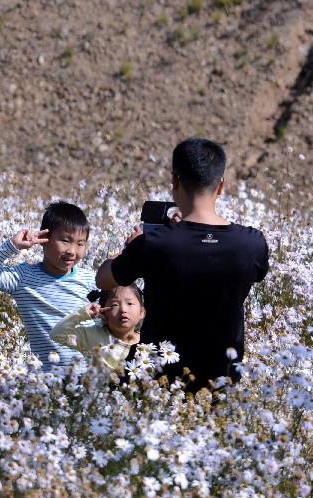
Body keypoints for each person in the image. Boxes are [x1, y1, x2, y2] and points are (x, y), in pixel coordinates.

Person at [95, 138, 269, 392]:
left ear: (175, 181)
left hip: (160, 379)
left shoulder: (153, 244)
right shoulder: (251, 243)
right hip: (222, 379)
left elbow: (104, 280)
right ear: (220, 186)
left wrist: (130, 248)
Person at [0, 201, 97, 371]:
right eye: (65, 240)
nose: (72, 251)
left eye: (80, 243)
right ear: (44, 239)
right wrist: (12, 246)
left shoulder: (90, 280)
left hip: (89, 378)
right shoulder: (23, 278)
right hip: (46, 381)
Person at [50, 285, 145, 375]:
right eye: (115, 305)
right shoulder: (92, 336)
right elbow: (58, 335)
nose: (123, 309)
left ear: (141, 312)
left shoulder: (147, 342)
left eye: (129, 303)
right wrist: (82, 314)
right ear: (103, 313)